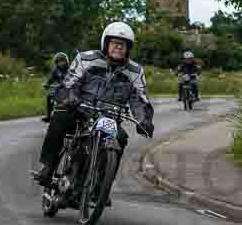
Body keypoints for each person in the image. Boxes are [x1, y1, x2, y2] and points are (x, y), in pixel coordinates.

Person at [33, 22, 155, 194]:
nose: (118, 47)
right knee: (60, 115)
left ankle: (102, 187)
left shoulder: (135, 71)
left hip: (108, 119)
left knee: (120, 137)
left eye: (123, 45)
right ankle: (48, 167)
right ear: (106, 43)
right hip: (80, 110)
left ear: (129, 48)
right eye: (114, 43)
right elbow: (69, 83)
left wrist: (144, 120)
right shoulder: (86, 59)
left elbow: (139, 100)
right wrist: (71, 98)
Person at [41, 52, 70, 122]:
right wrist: (46, 84)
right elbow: (50, 79)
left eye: (62, 61)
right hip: (60, 89)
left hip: (70, 89)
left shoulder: (71, 69)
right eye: (58, 62)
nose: (61, 63)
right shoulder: (56, 70)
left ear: (66, 61)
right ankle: (49, 115)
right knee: (49, 96)